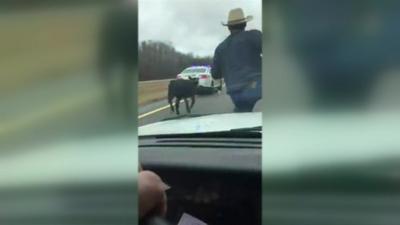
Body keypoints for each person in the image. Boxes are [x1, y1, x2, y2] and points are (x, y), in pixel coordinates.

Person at [212, 8, 262, 112]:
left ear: (229, 27)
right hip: (255, 85)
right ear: (245, 24)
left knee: (242, 110)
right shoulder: (254, 36)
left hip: (234, 92)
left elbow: (215, 74)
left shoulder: (220, 48)